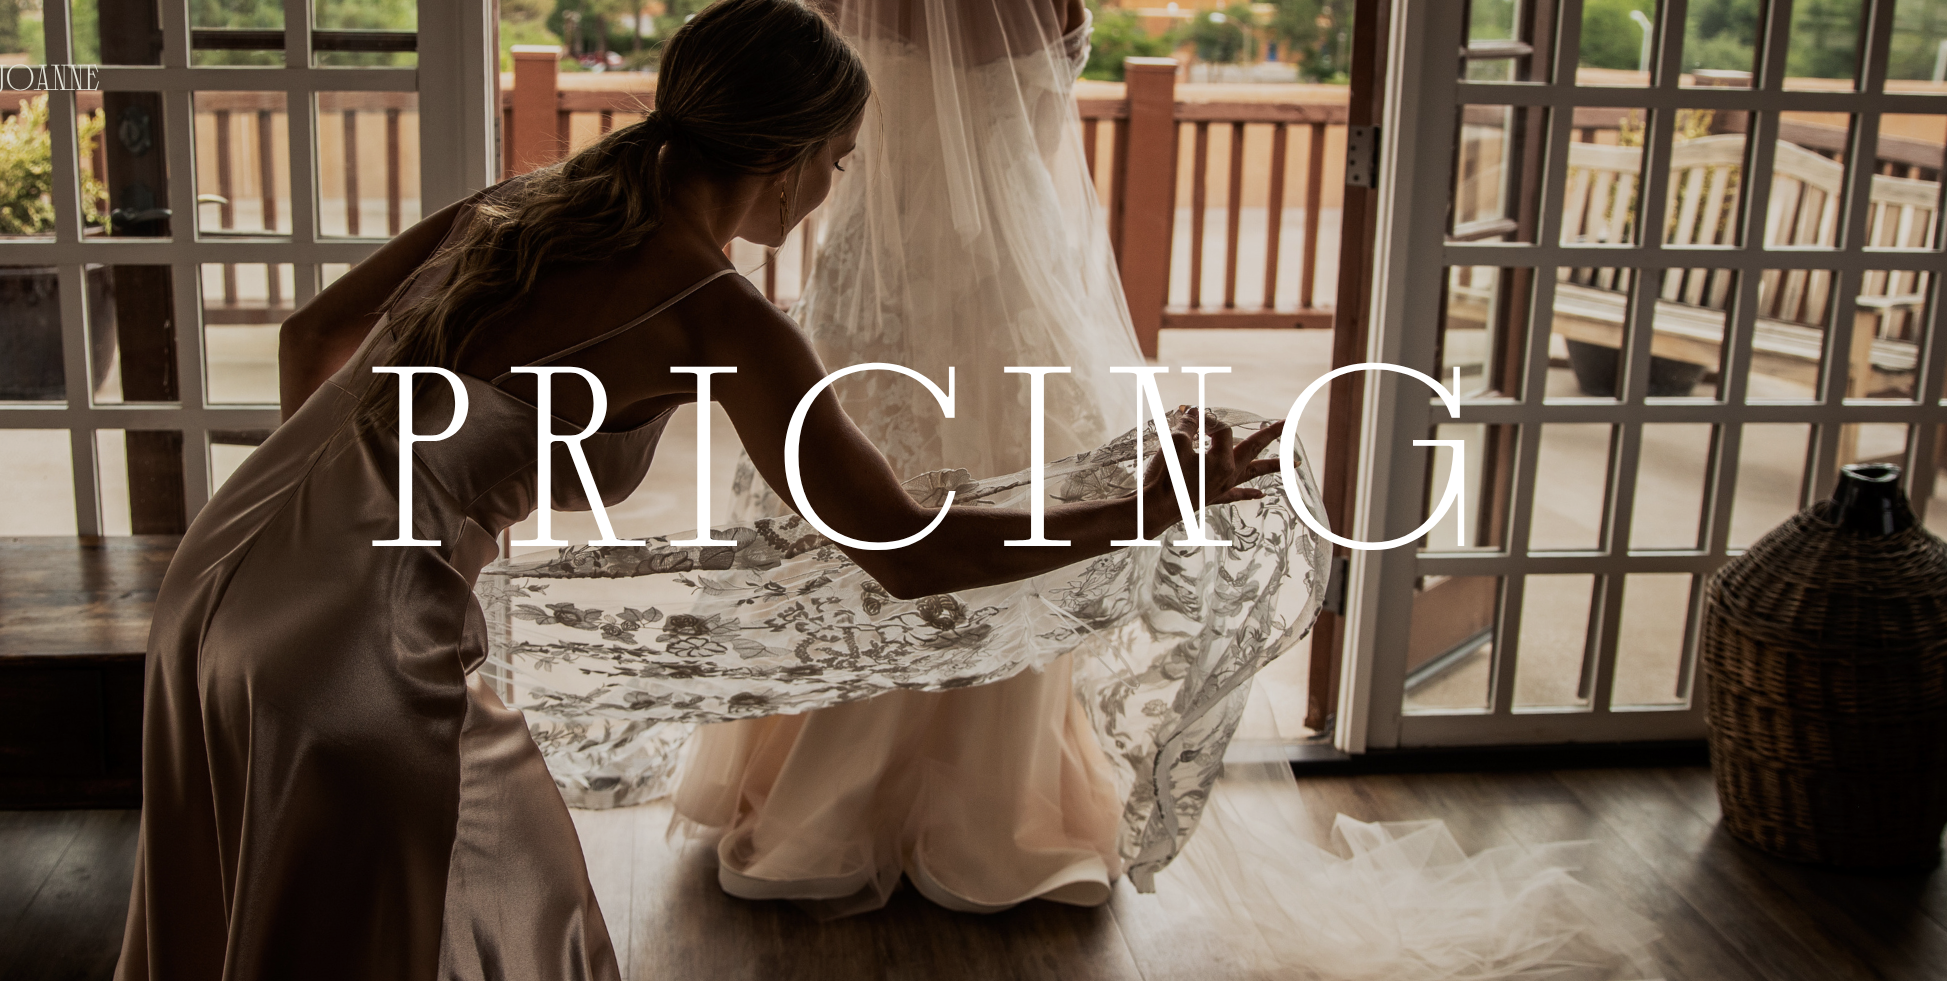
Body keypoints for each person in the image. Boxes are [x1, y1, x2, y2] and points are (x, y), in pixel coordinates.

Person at [111, 0, 1276, 978]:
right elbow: (909, 549)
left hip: (226, 575)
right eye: (837, 161)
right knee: (504, 907)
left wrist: (371, 511)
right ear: (786, 160)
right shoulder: (716, 315)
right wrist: (1153, 501)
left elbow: (312, 336)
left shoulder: (529, 205)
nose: (830, 191)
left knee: (305, 915)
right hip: (354, 642)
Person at [671, 0, 1149, 916]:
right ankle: (996, 801)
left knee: (850, 507)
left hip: (878, 278)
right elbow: (1044, 145)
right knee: (966, 507)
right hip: (1010, 281)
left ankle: (824, 792)